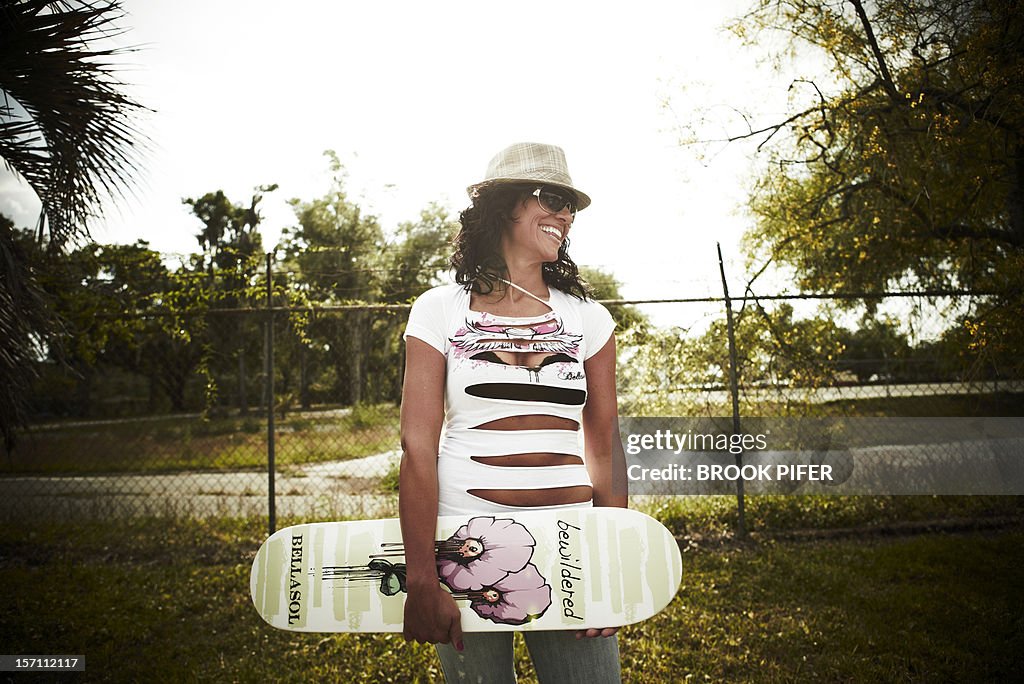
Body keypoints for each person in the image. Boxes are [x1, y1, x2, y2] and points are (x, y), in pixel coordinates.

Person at [399, 142, 628, 683]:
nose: (565, 214)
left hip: (571, 550)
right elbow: (416, 448)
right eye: (551, 198)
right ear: (505, 206)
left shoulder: (588, 319)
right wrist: (422, 580)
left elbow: (604, 446)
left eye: (570, 205)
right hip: (462, 550)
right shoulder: (439, 310)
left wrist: (609, 564)